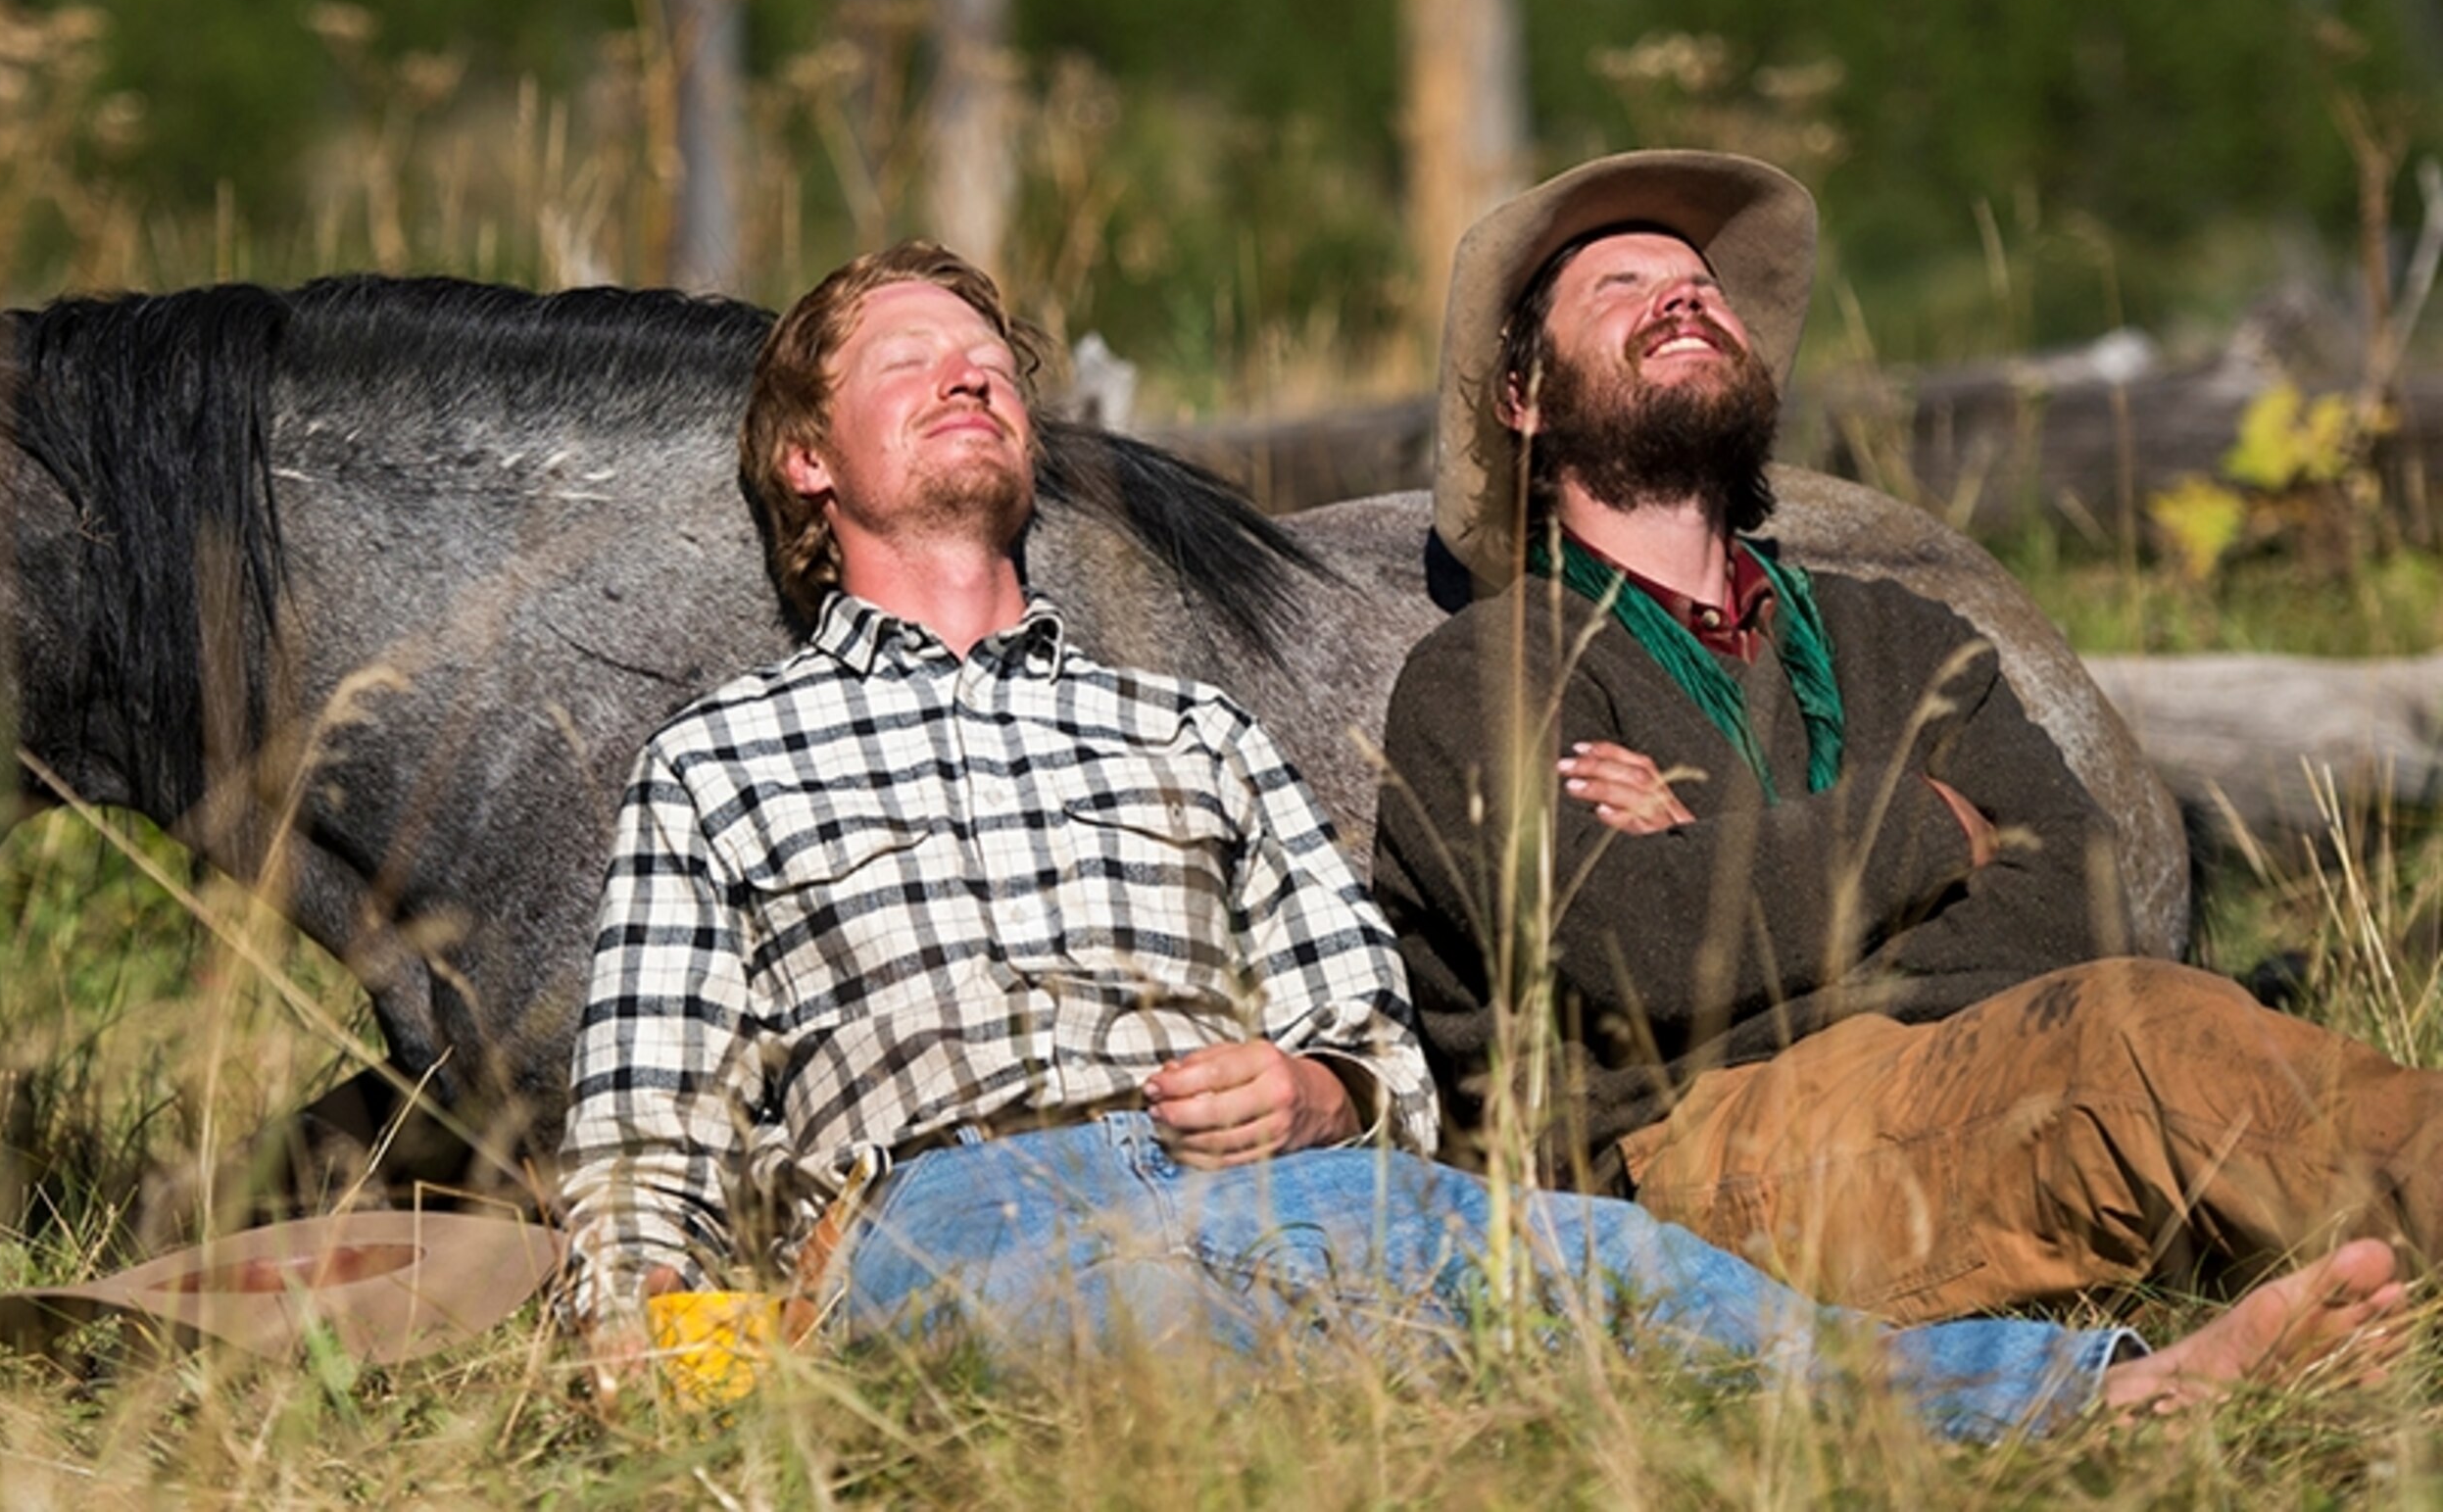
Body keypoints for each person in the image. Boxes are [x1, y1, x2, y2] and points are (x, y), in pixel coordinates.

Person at [556, 239, 2401, 1434]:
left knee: (1595, 1281)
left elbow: (1373, 1031)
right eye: (908, 359)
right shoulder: (724, 756)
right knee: (1181, 1314)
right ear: (805, 458)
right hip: (943, 1193)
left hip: (1242, 1165)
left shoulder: (1184, 727)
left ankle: (2097, 1403)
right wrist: (643, 1314)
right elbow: (647, 1112)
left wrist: (1316, 1090)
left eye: (992, 359)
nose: (971, 376)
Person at [1374, 147, 2443, 1327]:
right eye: (1620, 286)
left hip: (1989, 1070)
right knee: (2135, 1046)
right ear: (1524, 397)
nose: (1683, 294)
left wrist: (1729, 858)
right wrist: (1933, 826)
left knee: (2172, 1040)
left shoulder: (1897, 633)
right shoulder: (1492, 670)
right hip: (1690, 1167)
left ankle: (2281, 1321)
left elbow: (2082, 901)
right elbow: (1634, 943)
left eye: (1700, 285)